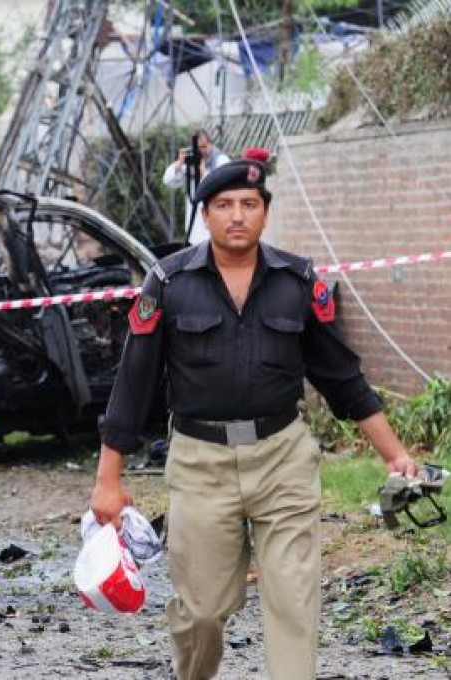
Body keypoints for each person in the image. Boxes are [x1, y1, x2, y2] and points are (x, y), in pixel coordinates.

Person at [89, 159, 417, 680]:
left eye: (249, 205)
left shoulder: (298, 281)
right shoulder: (169, 283)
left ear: (265, 213)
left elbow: (342, 377)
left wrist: (395, 454)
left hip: (282, 457)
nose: (237, 216)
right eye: (223, 206)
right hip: (200, 463)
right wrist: (109, 479)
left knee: (293, 598)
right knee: (204, 609)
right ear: (206, 214)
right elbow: (134, 383)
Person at [162, 128, 230, 245]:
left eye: (204, 147)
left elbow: (221, 186)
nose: (201, 151)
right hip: (195, 226)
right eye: (198, 148)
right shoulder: (191, 163)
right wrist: (179, 163)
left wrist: (202, 171)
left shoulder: (221, 161)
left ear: (210, 144)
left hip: (216, 222)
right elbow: (168, 180)